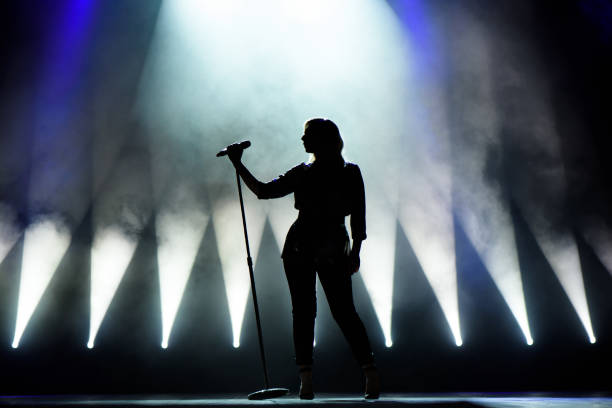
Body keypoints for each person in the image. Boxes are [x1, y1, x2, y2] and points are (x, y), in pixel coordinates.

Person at [225, 118, 379, 400]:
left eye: (307, 135)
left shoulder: (340, 172)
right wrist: (355, 251)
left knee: (324, 311)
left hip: (313, 243)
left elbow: (358, 215)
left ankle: (349, 375)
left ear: (322, 139)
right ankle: (317, 378)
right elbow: (264, 191)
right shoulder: (324, 172)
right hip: (314, 244)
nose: (302, 139)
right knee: (325, 311)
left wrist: (238, 164)